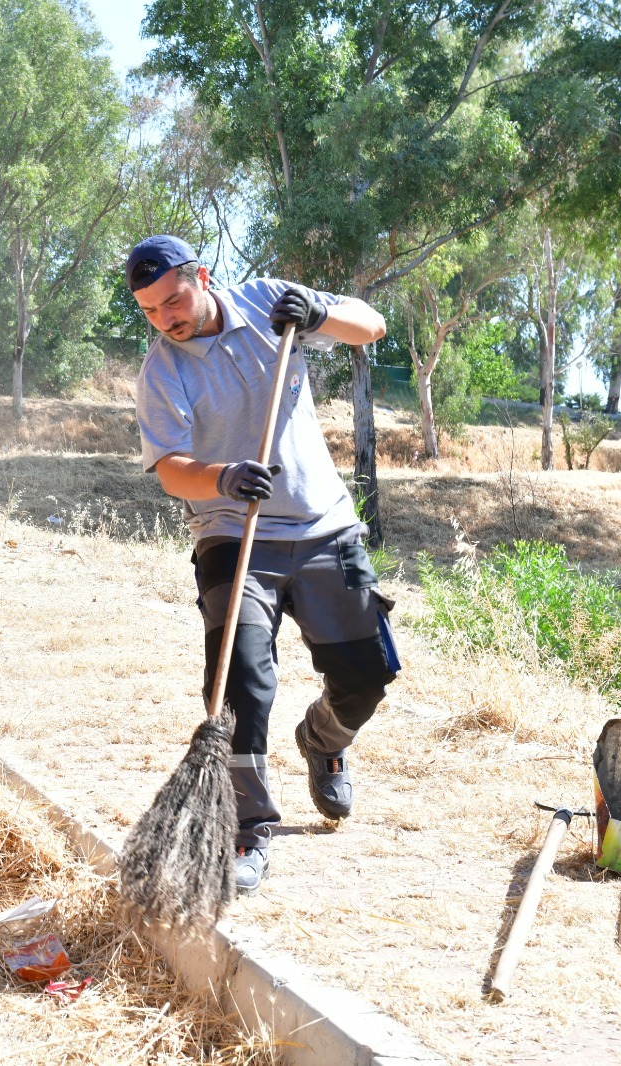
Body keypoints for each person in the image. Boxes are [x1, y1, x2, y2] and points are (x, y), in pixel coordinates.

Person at [126, 234, 401, 894]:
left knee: (365, 675)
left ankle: (325, 740)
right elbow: (170, 470)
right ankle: (248, 828)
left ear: (204, 276)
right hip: (232, 530)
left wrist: (316, 311)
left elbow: (371, 324)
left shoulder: (267, 305)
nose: (167, 318)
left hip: (324, 525)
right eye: (151, 311)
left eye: (174, 300)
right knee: (240, 678)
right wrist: (221, 477)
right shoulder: (163, 371)